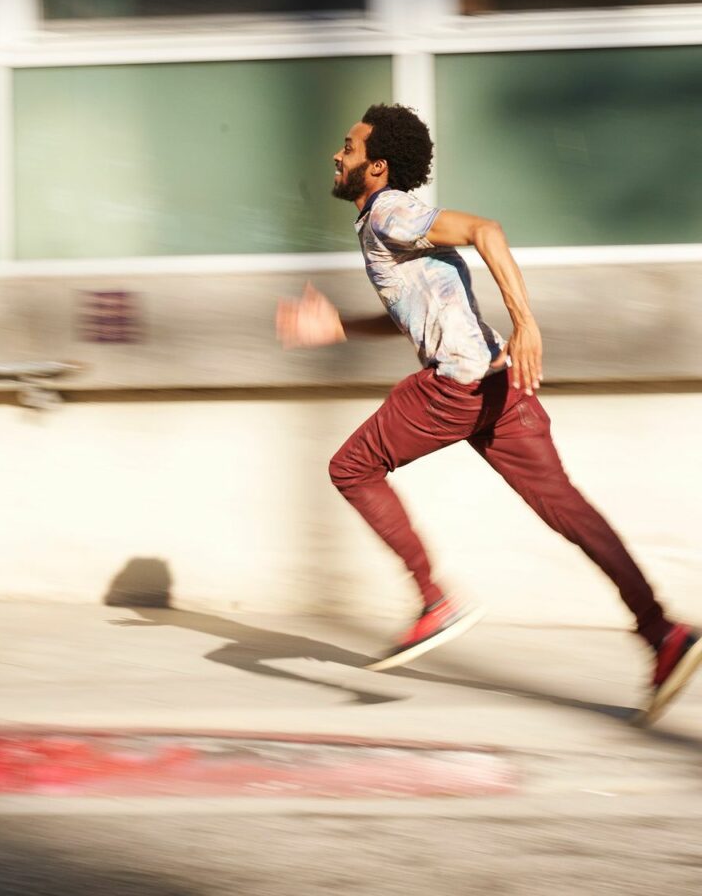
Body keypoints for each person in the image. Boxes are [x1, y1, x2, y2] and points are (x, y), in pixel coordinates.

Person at [276, 102, 700, 722]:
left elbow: (487, 230)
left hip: (458, 388)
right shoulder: (390, 223)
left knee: (351, 468)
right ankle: (663, 633)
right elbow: (418, 309)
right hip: (501, 386)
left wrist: (528, 324)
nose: (336, 156)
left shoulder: (390, 212)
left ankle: (435, 602)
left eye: (349, 147)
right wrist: (339, 326)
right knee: (570, 511)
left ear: (378, 166)